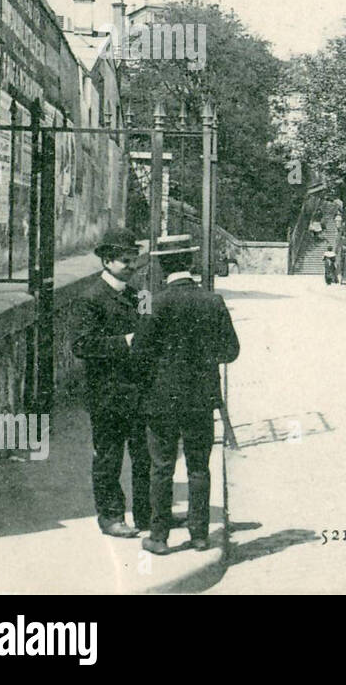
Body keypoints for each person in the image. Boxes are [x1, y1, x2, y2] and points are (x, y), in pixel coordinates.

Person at [131, 234, 240, 554]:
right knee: (198, 466)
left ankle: (160, 537)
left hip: (161, 399)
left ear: (163, 265)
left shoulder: (153, 301)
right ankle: (200, 535)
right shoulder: (212, 301)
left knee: (161, 467)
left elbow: (138, 352)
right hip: (200, 399)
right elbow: (231, 351)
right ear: (190, 263)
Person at [71, 228, 151, 538]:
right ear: (107, 261)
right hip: (108, 394)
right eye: (125, 260)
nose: (131, 266)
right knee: (108, 459)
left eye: (134, 260)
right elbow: (82, 345)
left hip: (139, 391)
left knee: (144, 457)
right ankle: (111, 517)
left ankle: (148, 515)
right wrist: (127, 342)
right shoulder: (89, 299)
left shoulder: (136, 295)